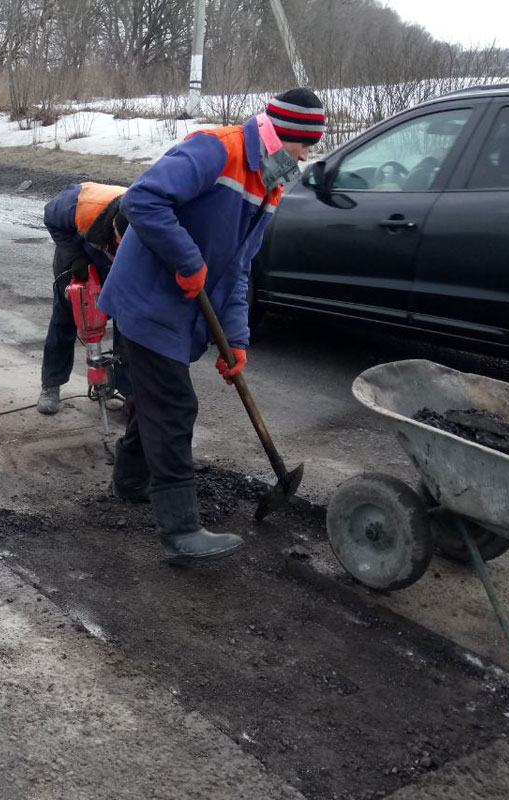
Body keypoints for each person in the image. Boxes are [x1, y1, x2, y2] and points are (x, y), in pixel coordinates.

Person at [98, 88, 325, 564]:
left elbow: (240, 267)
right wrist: (186, 258)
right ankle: (180, 532)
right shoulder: (216, 148)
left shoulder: (271, 181)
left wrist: (236, 338)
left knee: (154, 400)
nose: (308, 156)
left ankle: (130, 481)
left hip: (179, 311)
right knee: (175, 405)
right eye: (306, 145)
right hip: (146, 301)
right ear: (285, 136)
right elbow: (141, 200)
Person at [38, 182, 131, 415]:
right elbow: (51, 216)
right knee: (65, 318)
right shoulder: (80, 206)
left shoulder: (149, 219)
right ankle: (51, 384)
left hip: (119, 268)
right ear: (113, 229)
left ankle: (124, 389)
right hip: (79, 258)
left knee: (128, 326)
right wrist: (75, 257)